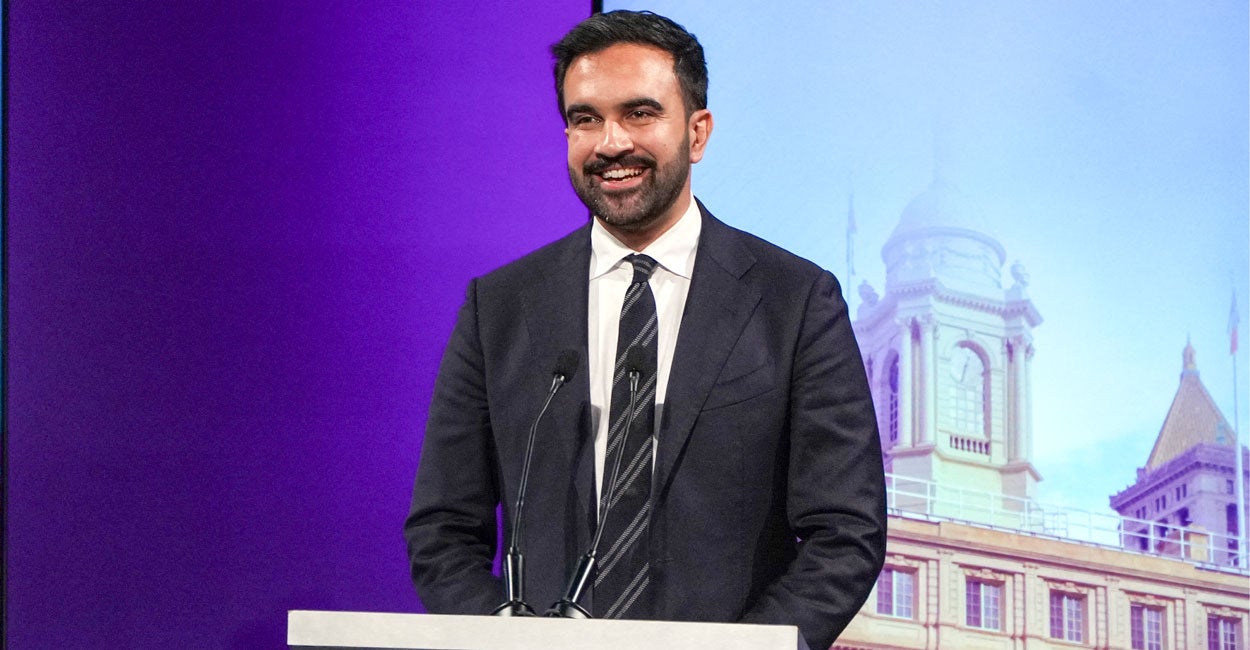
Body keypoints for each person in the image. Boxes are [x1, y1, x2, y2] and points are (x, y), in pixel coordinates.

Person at [404, 10, 886, 649]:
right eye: (585, 119)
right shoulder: (499, 306)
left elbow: (846, 532)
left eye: (639, 113)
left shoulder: (794, 301)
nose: (610, 144)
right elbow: (442, 530)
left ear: (697, 132)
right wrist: (504, 637)